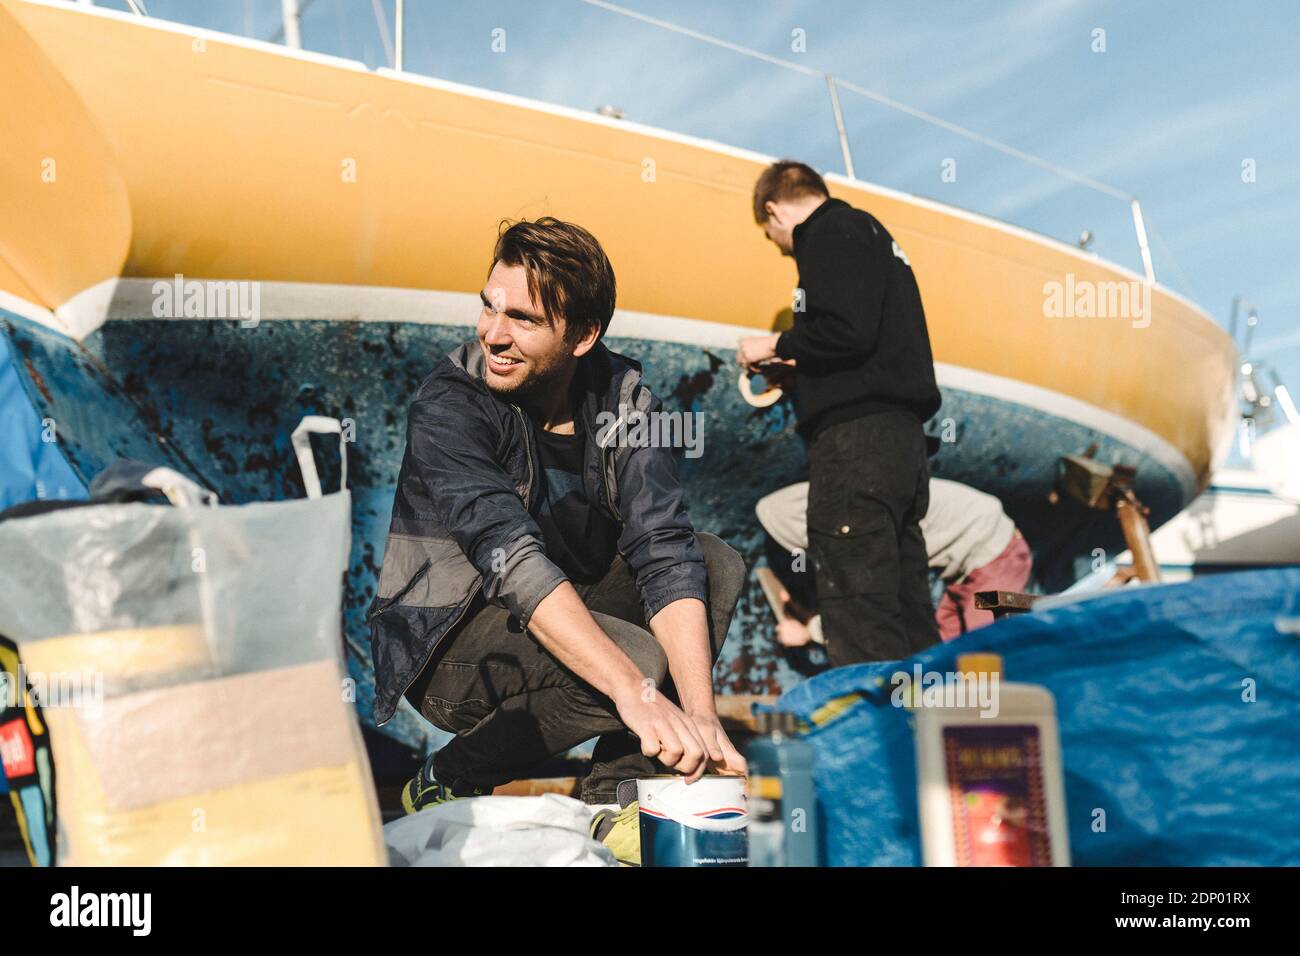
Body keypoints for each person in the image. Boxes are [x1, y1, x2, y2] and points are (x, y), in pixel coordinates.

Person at [367, 217, 748, 856]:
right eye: (488, 308)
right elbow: (511, 559)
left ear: (583, 335)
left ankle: (620, 800)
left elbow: (665, 547)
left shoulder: (624, 401)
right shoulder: (450, 404)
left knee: (715, 560)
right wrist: (636, 691)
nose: (494, 334)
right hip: (448, 646)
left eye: (522, 318)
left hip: (562, 609)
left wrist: (702, 714)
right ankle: (450, 778)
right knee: (638, 665)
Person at [739, 160, 942, 665]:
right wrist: (801, 367)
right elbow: (861, 342)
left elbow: (845, 330)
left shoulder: (826, 232)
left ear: (773, 210)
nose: (782, 248)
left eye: (772, 237)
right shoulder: (870, 234)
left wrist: (773, 343)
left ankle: (876, 736)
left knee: (858, 606)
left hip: (856, 447)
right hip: (902, 444)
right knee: (906, 604)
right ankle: (928, 733)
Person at [754, 478, 1034, 645]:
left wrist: (809, 632)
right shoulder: (857, 500)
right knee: (944, 649)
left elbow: (876, 612)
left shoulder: (868, 536)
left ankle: (988, 731)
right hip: (975, 554)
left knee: (982, 658)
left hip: (998, 555)